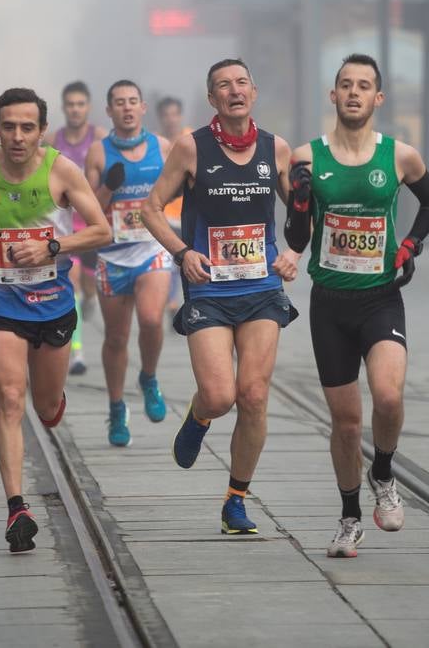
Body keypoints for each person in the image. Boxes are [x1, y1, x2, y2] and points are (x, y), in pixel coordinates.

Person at [0, 87, 111, 552]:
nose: (16, 135)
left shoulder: (62, 171)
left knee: (46, 408)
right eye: (8, 126)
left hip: (52, 305)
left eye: (26, 127)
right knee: (10, 397)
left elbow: (101, 230)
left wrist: (52, 246)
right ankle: (17, 509)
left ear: (41, 131)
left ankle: (53, 401)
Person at [282, 54, 429, 558]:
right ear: (333, 96)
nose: (354, 93)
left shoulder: (400, 156)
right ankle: (350, 517)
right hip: (329, 304)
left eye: (364, 86)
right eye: (345, 85)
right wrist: (301, 202)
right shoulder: (307, 157)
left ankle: (384, 472)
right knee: (347, 422)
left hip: (380, 298)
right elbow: (295, 236)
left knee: (389, 398)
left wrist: (410, 245)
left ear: (378, 99)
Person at [140, 58, 299, 536]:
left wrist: (293, 251)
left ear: (254, 91)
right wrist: (182, 252)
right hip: (208, 288)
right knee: (220, 394)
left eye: (241, 83)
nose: (234, 91)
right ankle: (200, 414)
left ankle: (236, 500)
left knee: (252, 395)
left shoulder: (277, 149)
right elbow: (149, 210)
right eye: (223, 86)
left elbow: (303, 213)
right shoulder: (192, 147)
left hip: (261, 290)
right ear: (212, 99)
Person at [85, 81, 173, 446]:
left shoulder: (163, 148)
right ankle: (117, 407)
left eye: (132, 102)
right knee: (117, 337)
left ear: (142, 108)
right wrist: (108, 187)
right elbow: (88, 208)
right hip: (112, 254)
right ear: (108, 110)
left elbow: (178, 189)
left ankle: (149, 378)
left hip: (152, 249)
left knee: (152, 319)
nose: (126, 108)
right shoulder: (98, 152)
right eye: (119, 103)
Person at [51, 81, 107, 374]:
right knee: (69, 283)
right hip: (64, 227)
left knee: (87, 289)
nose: (75, 109)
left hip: (93, 226)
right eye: (70, 104)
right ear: (63, 107)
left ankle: (89, 300)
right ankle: (77, 352)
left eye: (80, 104)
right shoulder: (52, 140)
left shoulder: (100, 139)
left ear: (88, 107)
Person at [157, 96, 191, 312]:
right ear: (160, 118)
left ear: (180, 116)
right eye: (166, 115)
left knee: (186, 260)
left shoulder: (191, 139)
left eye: (174, 114)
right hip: (165, 214)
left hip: (188, 212)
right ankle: (170, 303)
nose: (171, 119)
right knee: (169, 261)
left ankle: (183, 301)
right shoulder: (157, 144)